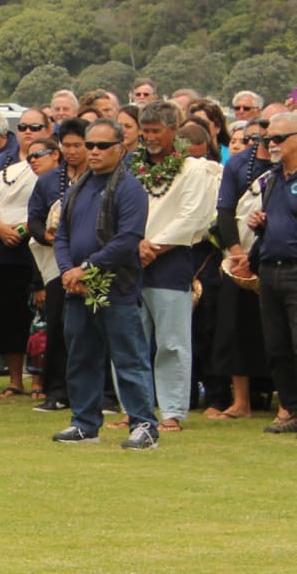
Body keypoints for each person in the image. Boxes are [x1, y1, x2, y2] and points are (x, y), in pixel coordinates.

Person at [51, 118, 159, 449]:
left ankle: (144, 425)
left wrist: (87, 268)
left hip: (117, 288)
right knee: (81, 356)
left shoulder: (129, 189)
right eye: (90, 145)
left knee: (129, 357)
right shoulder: (78, 187)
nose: (94, 152)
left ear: (120, 149)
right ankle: (85, 423)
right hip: (77, 288)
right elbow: (62, 235)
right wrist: (69, 271)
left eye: (102, 146)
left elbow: (127, 240)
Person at [121, 101, 218, 433]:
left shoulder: (193, 168)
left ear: (173, 129)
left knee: (172, 342)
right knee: (130, 339)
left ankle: (173, 411)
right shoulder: (132, 164)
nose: (149, 137)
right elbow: (117, 206)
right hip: (131, 260)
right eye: (144, 131)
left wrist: (156, 246)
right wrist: (134, 243)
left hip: (172, 262)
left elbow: (194, 217)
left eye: (155, 131)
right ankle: (132, 407)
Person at [0, 109, 51, 397]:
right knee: (8, 316)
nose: (28, 131)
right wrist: (0, 227)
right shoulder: (2, 163)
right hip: (2, 250)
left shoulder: (52, 170)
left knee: (39, 317)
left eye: (36, 126)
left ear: (48, 128)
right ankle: (14, 379)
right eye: (22, 126)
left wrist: (23, 229)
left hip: (37, 253)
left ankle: (40, 380)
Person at [208, 116, 271, 421]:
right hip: (238, 260)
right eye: (252, 139)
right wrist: (236, 253)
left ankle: (287, 403)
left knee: (280, 333)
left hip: (276, 257)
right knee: (234, 330)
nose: (261, 144)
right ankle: (240, 402)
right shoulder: (236, 165)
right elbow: (225, 211)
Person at [28, 119, 90, 412]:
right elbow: (35, 220)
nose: (73, 151)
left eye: (79, 145)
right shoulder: (49, 181)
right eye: (67, 146)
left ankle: (101, 393)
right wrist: (47, 235)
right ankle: (57, 390)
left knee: (94, 329)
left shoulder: (101, 177)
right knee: (57, 326)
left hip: (92, 264)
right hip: (57, 264)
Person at [249, 112, 297, 434]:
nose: (272, 145)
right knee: (277, 345)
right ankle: (290, 409)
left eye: (278, 139)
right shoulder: (272, 178)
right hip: (271, 268)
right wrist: (262, 224)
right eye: (268, 140)